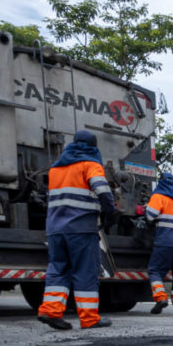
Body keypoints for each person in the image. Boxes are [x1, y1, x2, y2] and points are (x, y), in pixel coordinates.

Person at [37, 130, 117, 330]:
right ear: (93, 146)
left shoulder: (56, 169)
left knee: (58, 269)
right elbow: (102, 189)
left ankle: (51, 311)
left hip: (55, 229)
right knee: (85, 271)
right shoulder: (90, 164)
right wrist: (110, 211)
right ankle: (89, 318)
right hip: (81, 228)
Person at [142, 171, 173, 315]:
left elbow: (150, 216)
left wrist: (146, 207)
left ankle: (161, 297)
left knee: (155, 270)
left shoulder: (159, 196)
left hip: (165, 242)